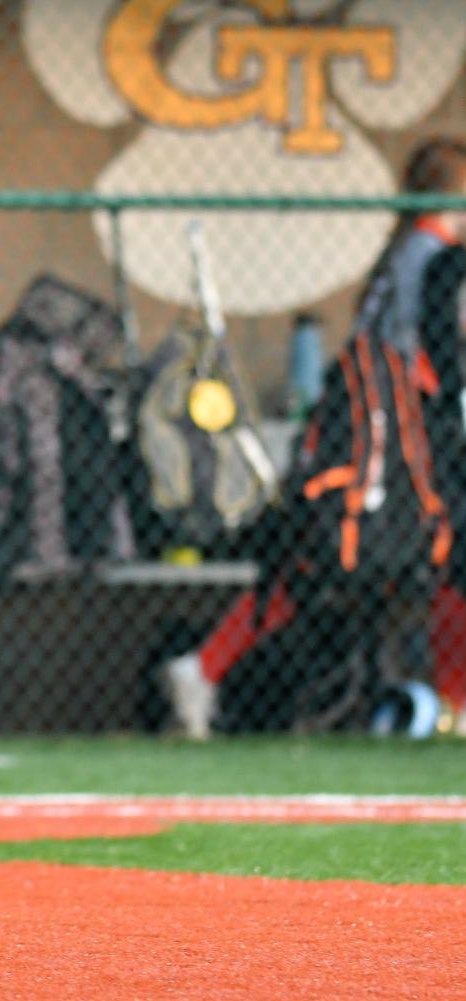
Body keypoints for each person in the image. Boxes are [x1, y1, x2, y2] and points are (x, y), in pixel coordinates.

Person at [165, 136, 466, 739]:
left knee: (333, 565)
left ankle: (205, 667)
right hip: (405, 445)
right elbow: (434, 362)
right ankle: (451, 700)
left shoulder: (405, 254)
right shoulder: (433, 258)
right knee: (406, 555)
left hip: (379, 444)